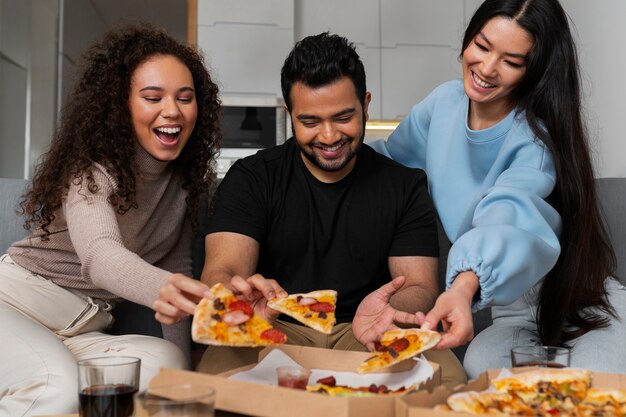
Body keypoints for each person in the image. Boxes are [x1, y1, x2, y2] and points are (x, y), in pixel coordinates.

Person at [187, 32, 466, 387]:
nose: (330, 136)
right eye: (310, 121)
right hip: (275, 329)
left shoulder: (405, 185)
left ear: (366, 105)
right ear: (290, 115)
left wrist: (390, 308)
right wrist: (237, 299)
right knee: (215, 380)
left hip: (369, 331)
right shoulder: (251, 177)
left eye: (343, 116)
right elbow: (221, 270)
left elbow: (420, 284)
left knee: (449, 377)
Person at [369, 0, 626, 378]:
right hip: (512, 313)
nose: (486, 69)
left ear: (533, 70)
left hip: (584, 302)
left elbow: (507, 216)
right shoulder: (442, 105)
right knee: (482, 370)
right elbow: (387, 164)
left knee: (590, 381)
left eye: (511, 61)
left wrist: (461, 288)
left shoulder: (535, 140)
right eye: (482, 45)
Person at [0, 24, 221, 415]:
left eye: (185, 98)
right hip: (15, 306)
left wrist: (190, 372)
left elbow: (175, 267)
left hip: (81, 333)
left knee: (165, 365)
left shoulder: (185, 186)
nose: (172, 110)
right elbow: (100, 255)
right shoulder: (90, 170)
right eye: (153, 97)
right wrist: (167, 287)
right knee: (58, 386)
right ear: (120, 105)